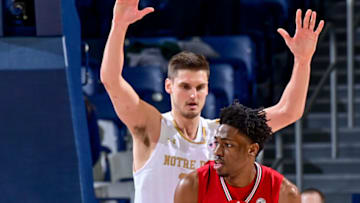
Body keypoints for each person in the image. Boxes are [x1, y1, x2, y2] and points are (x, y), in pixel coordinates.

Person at [100, 0, 324, 202]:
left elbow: (288, 111)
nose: (193, 95)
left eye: (200, 87)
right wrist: (118, 25)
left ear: (208, 89)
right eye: (185, 87)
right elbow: (111, 80)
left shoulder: (222, 133)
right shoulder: (153, 127)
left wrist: (302, 61)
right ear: (168, 86)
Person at [174, 102, 301, 203]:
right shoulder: (191, 186)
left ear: (252, 150)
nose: (217, 152)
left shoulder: (284, 193)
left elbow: (289, 110)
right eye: (216, 143)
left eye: (228, 145)